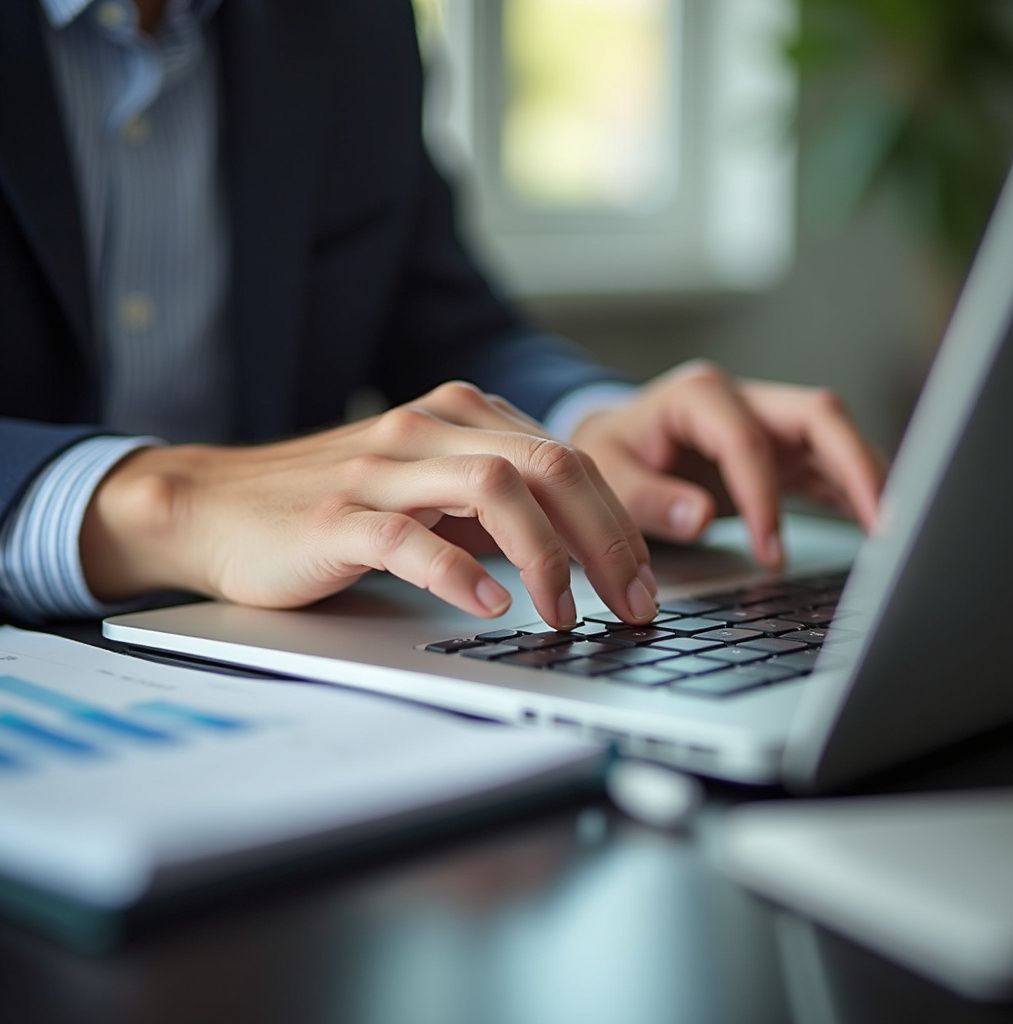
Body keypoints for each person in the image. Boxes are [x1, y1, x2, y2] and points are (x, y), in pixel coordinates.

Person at [0, 0, 885, 632]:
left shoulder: (354, 24)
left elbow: (445, 321)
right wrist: (158, 503)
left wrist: (586, 424)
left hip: (288, 646)